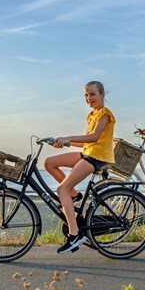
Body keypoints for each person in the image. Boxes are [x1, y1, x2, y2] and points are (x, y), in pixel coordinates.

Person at [44, 81, 116, 254]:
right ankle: (75, 196)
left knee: (62, 189)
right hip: (87, 153)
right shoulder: (91, 115)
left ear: (102, 95)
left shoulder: (105, 114)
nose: (88, 98)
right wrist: (64, 142)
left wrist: (68, 137)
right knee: (49, 163)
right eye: (86, 95)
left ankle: (74, 234)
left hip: (97, 157)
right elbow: (86, 142)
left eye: (92, 94)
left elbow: (94, 136)